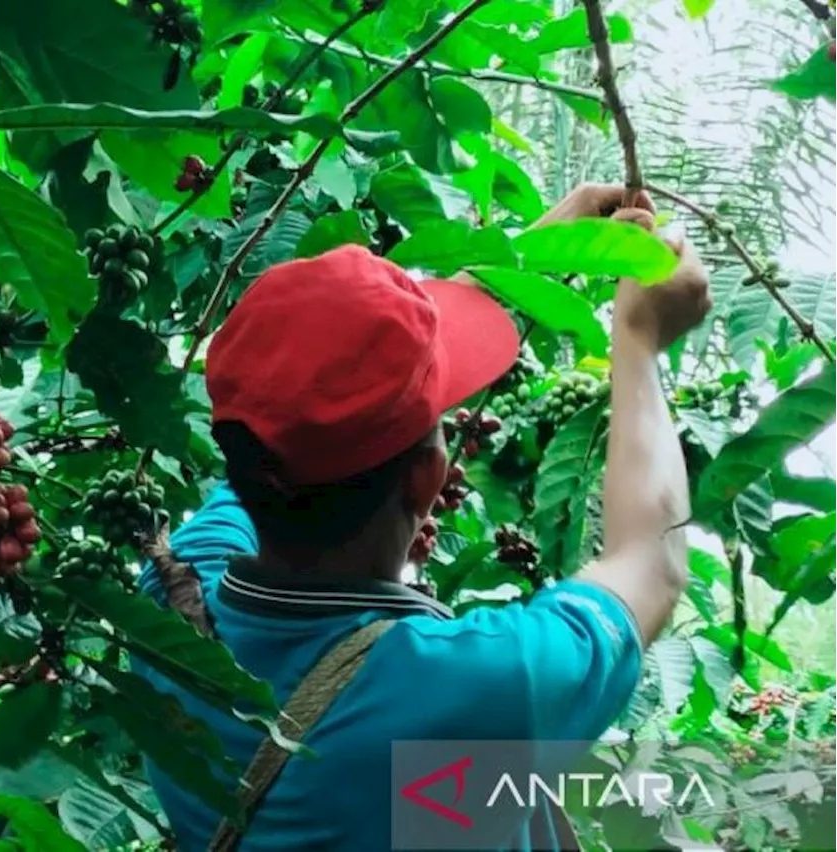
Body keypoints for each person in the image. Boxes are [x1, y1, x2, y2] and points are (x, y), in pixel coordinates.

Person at [130, 184, 713, 851]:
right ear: (429, 480)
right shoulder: (465, 687)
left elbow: (311, 409)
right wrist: (638, 338)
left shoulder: (173, 600)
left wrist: (533, 253)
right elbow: (652, 561)